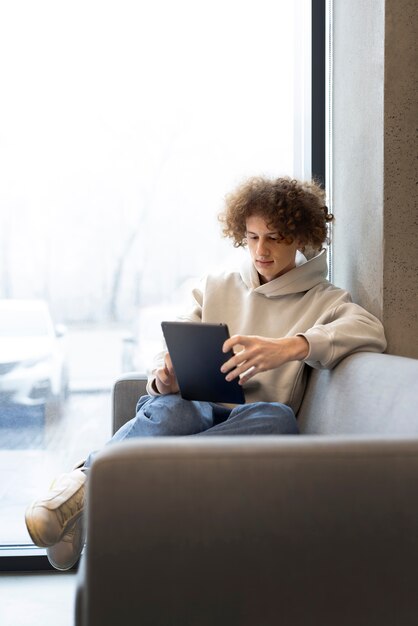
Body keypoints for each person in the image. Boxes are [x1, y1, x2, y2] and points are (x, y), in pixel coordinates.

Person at [25, 175, 386, 570]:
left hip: (247, 424)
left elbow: (370, 331)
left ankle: (84, 490)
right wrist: (164, 378)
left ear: (299, 237)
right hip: (190, 407)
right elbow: (170, 352)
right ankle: (93, 489)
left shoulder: (324, 299)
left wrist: (288, 347)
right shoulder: (216, 285)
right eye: (251, 237)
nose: (260, 250)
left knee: (278, 418)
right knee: (178, 408)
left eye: (274, 237)